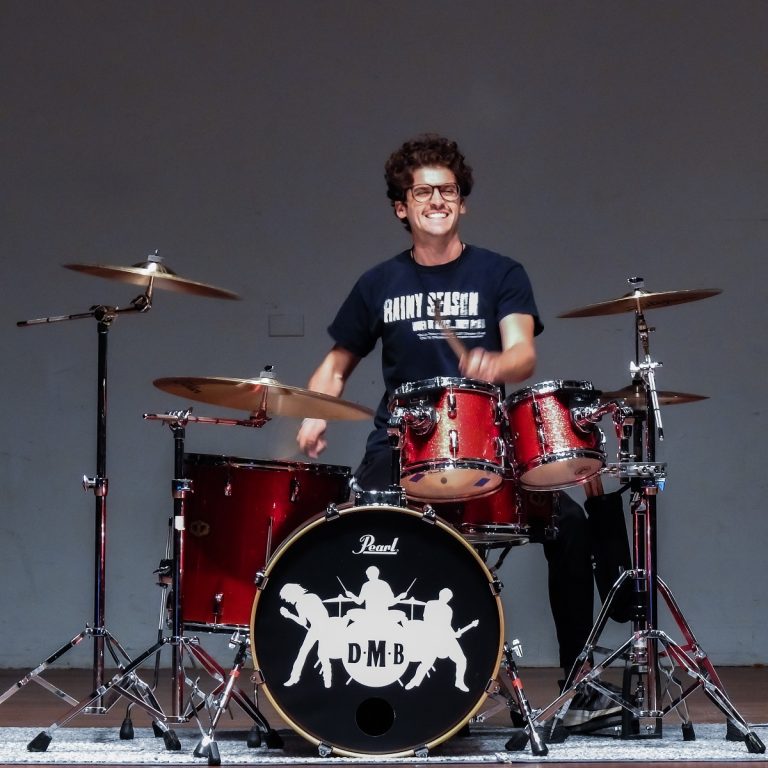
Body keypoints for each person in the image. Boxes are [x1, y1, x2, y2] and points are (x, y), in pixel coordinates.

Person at [296, 133, 605, 700]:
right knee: (355, 527)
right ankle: (364, 680)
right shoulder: (379, 284)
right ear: (401, 206)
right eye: (423, 192)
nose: (436, 200)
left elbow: (524, 353)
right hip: (402, 440)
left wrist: (498, 361)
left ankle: (577, 679)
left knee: (572, 525)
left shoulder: (501, 273)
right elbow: (336, 364)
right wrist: (315, 411)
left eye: (448, 190)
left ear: (462, 202)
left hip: (487, 441)